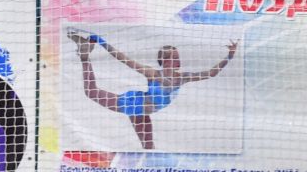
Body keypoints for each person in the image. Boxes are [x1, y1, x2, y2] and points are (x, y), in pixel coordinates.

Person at [68, 30, 237, 150]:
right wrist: (101, 41)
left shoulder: (182, 78)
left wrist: (229, 56)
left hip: (141, 111)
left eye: (178, 57)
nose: (178, 60)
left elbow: (211, 73)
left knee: (149, 147)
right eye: (173, 57)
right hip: (133, 104)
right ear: (164, 61)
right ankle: (85, 56)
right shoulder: (153, 74)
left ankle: (84, 53)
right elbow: (124, 59)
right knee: (91, 91)